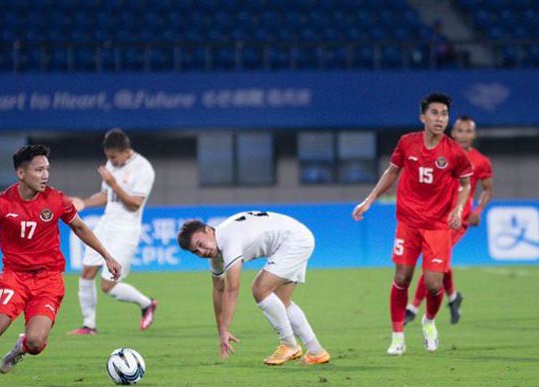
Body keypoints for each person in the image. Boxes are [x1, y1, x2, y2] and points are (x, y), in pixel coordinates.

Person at [0, 145, 121, 387]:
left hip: (48, 280)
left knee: (35, 341)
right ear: (21, 174)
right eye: (39, 170)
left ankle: (21, 347)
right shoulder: (1, 204)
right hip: (14, 277)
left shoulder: (56, 199)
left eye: (47, 169)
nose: (45, 175)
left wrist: (107, 256)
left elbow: (80, 228)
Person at [352, 92, 473, 356]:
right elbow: (391, 171)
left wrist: (459, 207)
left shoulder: (454, 152)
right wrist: (370, 200)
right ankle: (397, 337)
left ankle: (429, 321)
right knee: (402, 277)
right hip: (408, 222)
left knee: (433, 285)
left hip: (438, 226)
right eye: (434, 113)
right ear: (423, 117)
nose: (440, 118)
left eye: (444, 114)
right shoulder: (407, 143)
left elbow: (465, 183)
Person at [177, 211, 331, 365]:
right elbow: (218, 290)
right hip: (296, 237)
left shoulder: (229, 240)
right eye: (196, 251)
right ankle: (316, 352)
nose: (203, 252)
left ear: (208, 230)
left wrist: (226, 328)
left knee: (260, 289)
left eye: (201, 244)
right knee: (281, 301)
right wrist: (222, 331)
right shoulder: (216, 252)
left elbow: (232, 291)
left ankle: (289, 345)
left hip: (294, 240)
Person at [405, 115, 494, 325]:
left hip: (458, 219)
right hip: (435, 215)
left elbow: (487, 190)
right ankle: (453, 297)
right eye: (460, 131)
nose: (464, 135)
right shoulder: (440, 153)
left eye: (468, 131)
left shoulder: (481, 161)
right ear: (453, 133)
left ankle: (412, 308)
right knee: (441, 262)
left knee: (433, 263)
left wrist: (479, 210)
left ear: (474, 134)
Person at [68, 129, 157, 336]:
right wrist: (84, 202)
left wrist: (114, 183)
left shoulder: (144, 169)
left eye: (113, 157)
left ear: (126, 152)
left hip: (126, 230)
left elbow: (135, 204)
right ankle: (89, 326)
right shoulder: (111, 164)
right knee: (86, 273)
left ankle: (147, 303)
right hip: (106, 224)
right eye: (108, 157)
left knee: (108, 285)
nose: (110, 161)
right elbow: (105, 196)